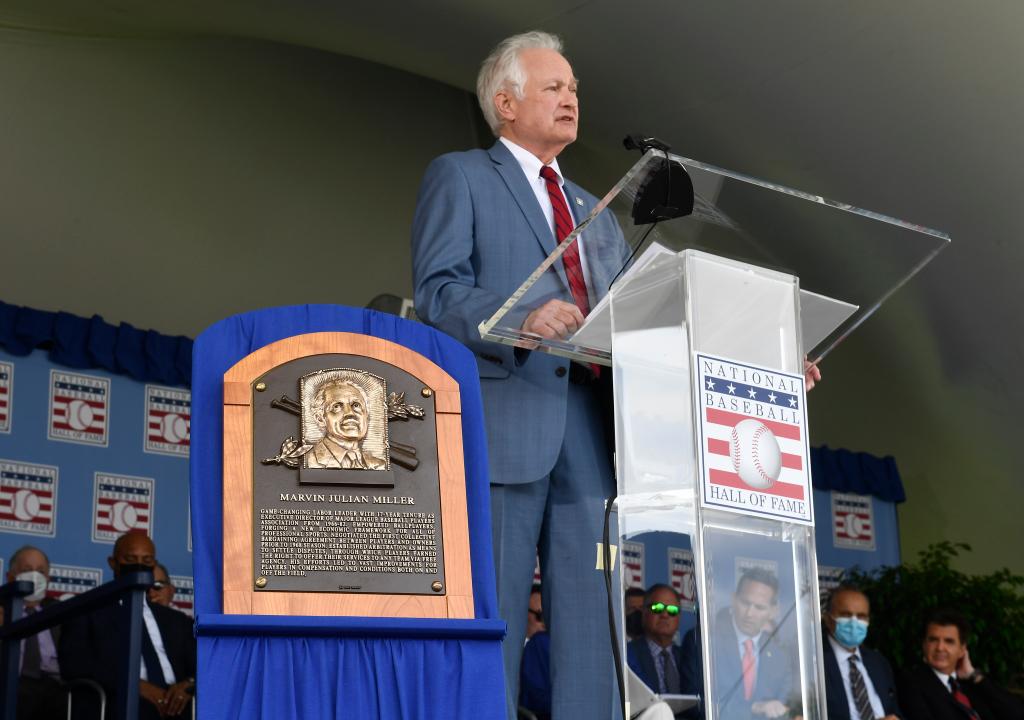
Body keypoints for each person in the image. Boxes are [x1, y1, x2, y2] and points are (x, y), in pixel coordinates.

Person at [412, 30, 628, 720]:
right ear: (505, 103)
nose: (571, 99)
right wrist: (522, 318)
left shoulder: (597, 213)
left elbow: (636, 318)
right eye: (553, 87)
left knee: (591, 626)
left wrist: (758, 356)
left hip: (592, 434)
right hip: (506, 422)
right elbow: (441, 291)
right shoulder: (463, 175)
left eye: (574, 90)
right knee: (497, 611)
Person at [59, 531, 196, 719]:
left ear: (154, 565)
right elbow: (74, 665)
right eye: (130, 558)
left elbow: (203, 666)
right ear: (113, 563)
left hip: (178, 703)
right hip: (120, 699)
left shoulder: (177, 620)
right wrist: (135, 685)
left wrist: (188, 685)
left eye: (147, 560)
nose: (139, 565)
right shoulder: (87, 612)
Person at [680, 567, 798, 719]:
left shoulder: (780, 657)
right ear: (733, 599)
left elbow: (783, 709)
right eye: (745, 602)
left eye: (759, 607)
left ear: (773, 611)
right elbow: (695, 703)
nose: (749, 613)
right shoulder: (703, 642)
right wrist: (753, 708)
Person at [898, 609, 1024, 720]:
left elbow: (1017, 714)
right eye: (933, 640)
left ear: (962, 649)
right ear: (924, 645)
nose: (940, 648)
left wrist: (973, 675)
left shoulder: (970, 683)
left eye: (949, 641)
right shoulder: (911, 682)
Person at [821, 585, 902, 719]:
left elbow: (894, 709)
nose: (854, 622)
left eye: (861, 616)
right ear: (828, 619)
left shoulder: (878, 662)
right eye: (845, 615)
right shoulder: (814, 661)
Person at [4, 545, 65, 720]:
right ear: (10, 577)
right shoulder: (2, 611)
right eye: (27, 570)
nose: (35, 576)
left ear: (48, 578)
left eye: (41, 571)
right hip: (12, 682)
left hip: (55, 685)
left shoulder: (61, 612)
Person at [307, 379, 386, 469]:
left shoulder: (380, 465)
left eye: (356, 405)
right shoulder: (308, 460)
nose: (350, 413)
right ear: (320, 419)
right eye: (337, 406)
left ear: (366, 416)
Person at [627, 585, 686, 696]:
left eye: (672, 610)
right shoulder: (627, 654)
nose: (664, 615)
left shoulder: (687, 657)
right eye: (657, 608)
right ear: (644, 613)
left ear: (679, 618)